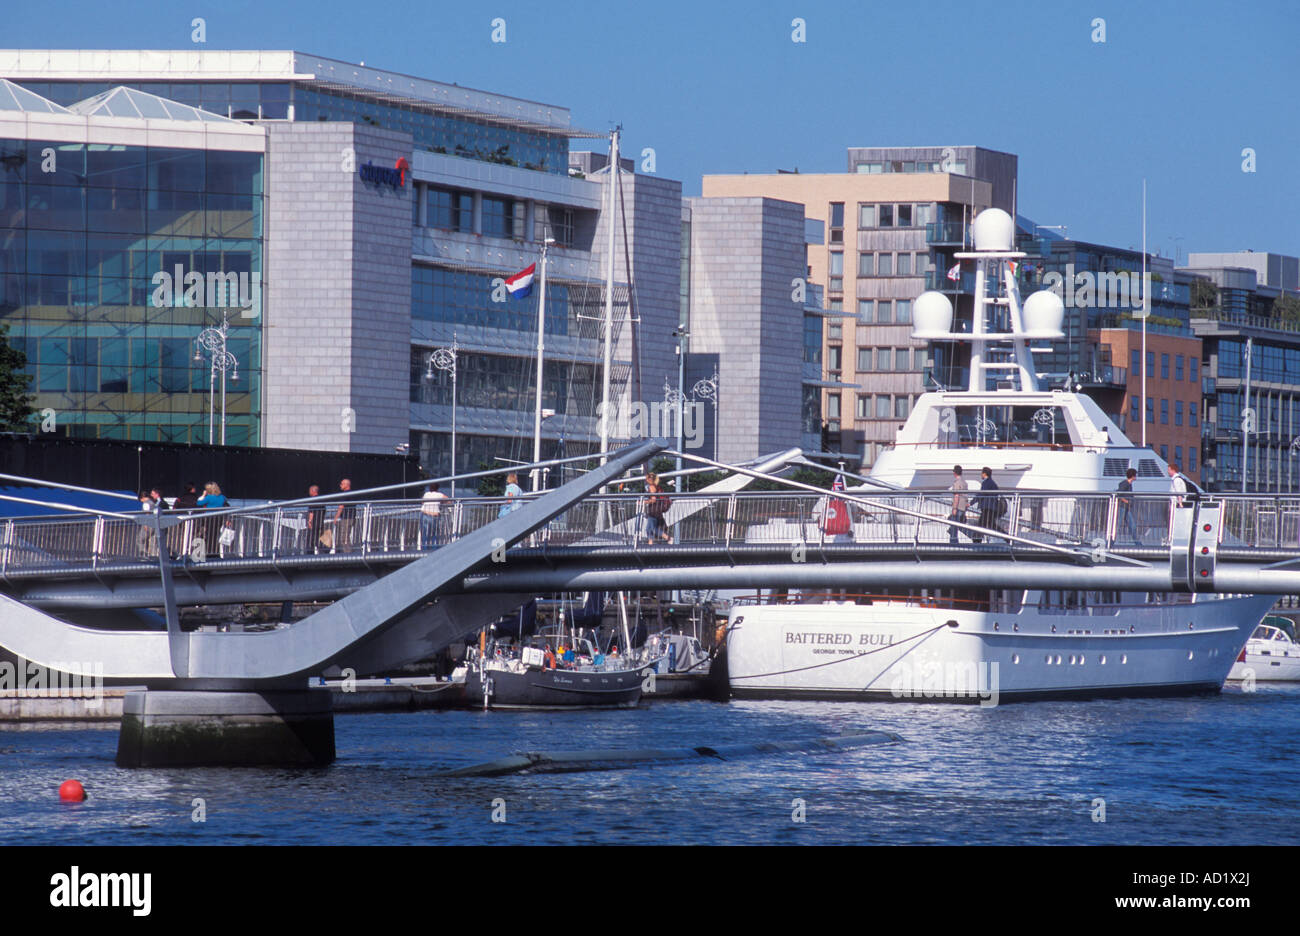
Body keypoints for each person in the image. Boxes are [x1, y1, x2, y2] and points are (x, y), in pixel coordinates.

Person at [641, 473, 671, 544]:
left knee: (652, 528)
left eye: (647, 478)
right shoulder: (657, 487)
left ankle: (667, 538)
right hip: (658, 510)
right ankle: (650, 542)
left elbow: (653, 499)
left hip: (653, 510)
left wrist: (644, 502)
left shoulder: (651, 487)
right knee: (649, 528)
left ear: (649, 479)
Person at [975, 467, 1001, 542]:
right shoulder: (993, 483)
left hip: (987, 508)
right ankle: (1006, 537)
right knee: (991, 525)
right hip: (991, 508)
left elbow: (981, 494)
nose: (981, 475)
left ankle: (977, 541)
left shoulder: (986, 483)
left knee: (981, 524)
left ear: (984, 474)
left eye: (981, 473)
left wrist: (971, 502)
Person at [421, 482, 449, 547]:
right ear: (437, 488)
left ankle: (424, 548)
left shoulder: (426, 494)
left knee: (425, 533)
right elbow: (449, 500)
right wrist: (441, 502)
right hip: (434, 516)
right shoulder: (439, 495)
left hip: (425, 514)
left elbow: (422, 502)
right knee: (435, 533)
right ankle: (434, 548)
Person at [947, 465, 970, 544]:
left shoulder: (957, 483)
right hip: (963, 507)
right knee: (958, 525)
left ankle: (953, 543)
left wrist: (954, 508)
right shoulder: (964, 483)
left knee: (954, 527)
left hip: (958, 507)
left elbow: (956, 496)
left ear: (955, 473)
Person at [1117, 467, 1138, 543]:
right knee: (1117, 526)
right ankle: (1111, 542)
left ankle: (1137, 543)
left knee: (1132, 526)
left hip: (1127, 508)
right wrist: (1126, 501)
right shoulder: (1124, 483)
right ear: (1132, 476)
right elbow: (1118, 494)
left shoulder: (1129, 484)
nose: (1136, 477)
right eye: (1135, 475)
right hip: (1122, 507)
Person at [334, 478, 355, 552]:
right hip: (350, 517)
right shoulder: (352, 493)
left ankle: (348, 554)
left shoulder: (345, 494)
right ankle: (348, 553)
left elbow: (341, 506)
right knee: (345, 537)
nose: (340, 485)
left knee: (344, 538)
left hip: (347, 518)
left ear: (347, 485)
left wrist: (336, 518)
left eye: (342, 484)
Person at [136, 490, 159, 557]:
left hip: (148, 524)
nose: (141, 501)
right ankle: (154, 556)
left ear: (142, 497)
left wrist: (145, 524)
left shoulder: (146, 504)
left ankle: (144, 554)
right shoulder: (153, 503)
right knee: (153, 542)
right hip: (155, 524)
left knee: (139, 540)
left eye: (141, 499)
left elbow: (147, 513)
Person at [304, 484, 324, 552]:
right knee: (319, 539)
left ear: (313, 491)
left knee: (311, 539)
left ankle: (309, 554)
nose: (309, 492)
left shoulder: (313, 500)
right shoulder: (322, 500)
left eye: (310, 490)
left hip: (314, 523)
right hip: (320, 522)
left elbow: (311, 512)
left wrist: (310, 521)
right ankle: (321, 553)